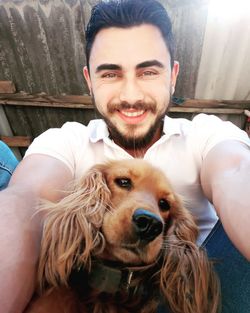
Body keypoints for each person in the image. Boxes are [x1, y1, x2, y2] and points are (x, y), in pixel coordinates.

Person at [0, 0, 249, 312]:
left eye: (147, 72)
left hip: (181, 284)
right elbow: (26, 199)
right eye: (111, 74)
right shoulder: (68, 140)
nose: (131, 96)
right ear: (90, 79)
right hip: (84, 281)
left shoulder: (206, 134)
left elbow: (237, 172)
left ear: (172, 76)